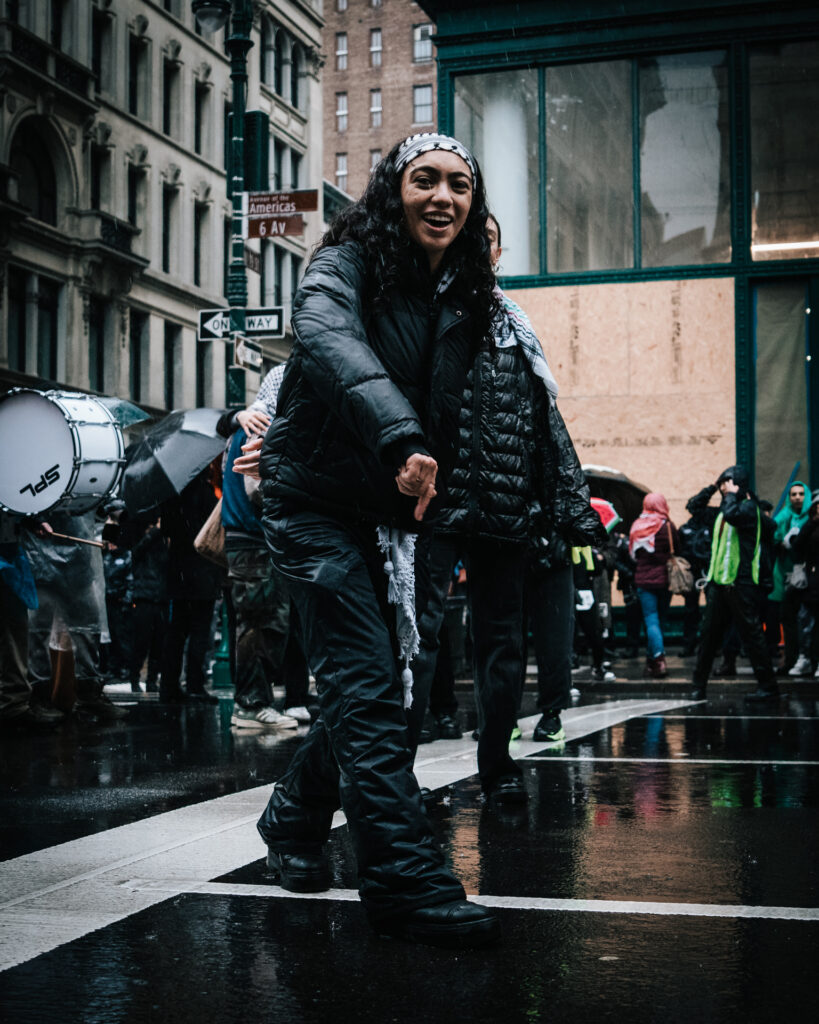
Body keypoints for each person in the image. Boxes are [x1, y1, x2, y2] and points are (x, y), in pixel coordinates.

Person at [234, 134, 501, 947]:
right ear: (394, 189)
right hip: (312, 499)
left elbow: (480, 410)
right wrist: (399, 440)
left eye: (459, 185)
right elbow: (327, 340)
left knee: (393, 696)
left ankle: (291, 819)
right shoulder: (341, 264)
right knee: (366, 685)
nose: (443, 198)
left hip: (401, 512)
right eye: (425, 180)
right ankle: (399, 878)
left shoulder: (465, 291)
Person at [405, 211, 602, 800]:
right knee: (417, 638)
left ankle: (498, 768)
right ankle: (395, 773)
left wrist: (569, 507)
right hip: (432, 504)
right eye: (474, 236)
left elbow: (546, 424)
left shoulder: (517, 322)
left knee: (503, 644)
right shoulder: (418, 307)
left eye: (490, 239)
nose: (481, 246)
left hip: (505, 505)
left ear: (497, 251)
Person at [691, 465, 778, 702]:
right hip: (719, 583)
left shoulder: (750, 509)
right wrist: (711, 487)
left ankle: (768, 688)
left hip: (741, 584)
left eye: (728, 483)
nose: (723, 488)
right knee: (708, 636)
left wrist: (731, 495)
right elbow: (694, 507)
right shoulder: (722, 511)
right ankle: (698, 686)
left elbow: (733, 515)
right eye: (722, 484)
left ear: (740, 484)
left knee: (752, 636)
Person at [159, 467, 222, 704]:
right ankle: (195, 686)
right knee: (199, 632)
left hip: (178, 573)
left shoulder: (172, 495)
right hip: (203, 572)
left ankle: (169, 686)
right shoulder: (207, 494)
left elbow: (166, 531)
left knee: (176, 632)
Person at [0, 511, 64, 730]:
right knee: (11, 627)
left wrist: (33, 520)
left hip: (7, 548)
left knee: (14, 625)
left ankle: (13, 702)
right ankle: (12, 702)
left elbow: (11, 494)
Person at [629, 493, 679, 679]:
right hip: (665, 579)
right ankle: (657, 660)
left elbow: (632, 555)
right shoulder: (668, 526)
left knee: (651, 619)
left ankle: (655, 660)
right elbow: (678, 548)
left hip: (644, 580)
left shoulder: (636, 526)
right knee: (661, 619)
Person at [773, 480, 811, 675]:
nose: (797, 497)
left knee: (806, 619)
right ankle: (791, 658)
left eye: (801, 494)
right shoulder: (783, 517)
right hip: (784, 572)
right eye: (793, 494)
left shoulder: (812, 517)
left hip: (808, 576)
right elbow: (773, 537)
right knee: (787, 618)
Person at [792, 490, 819, 678]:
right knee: (806, 622)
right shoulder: (810, 526)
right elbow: (798, 546)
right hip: (811, 581)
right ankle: (806, 659)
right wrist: (813, 521)